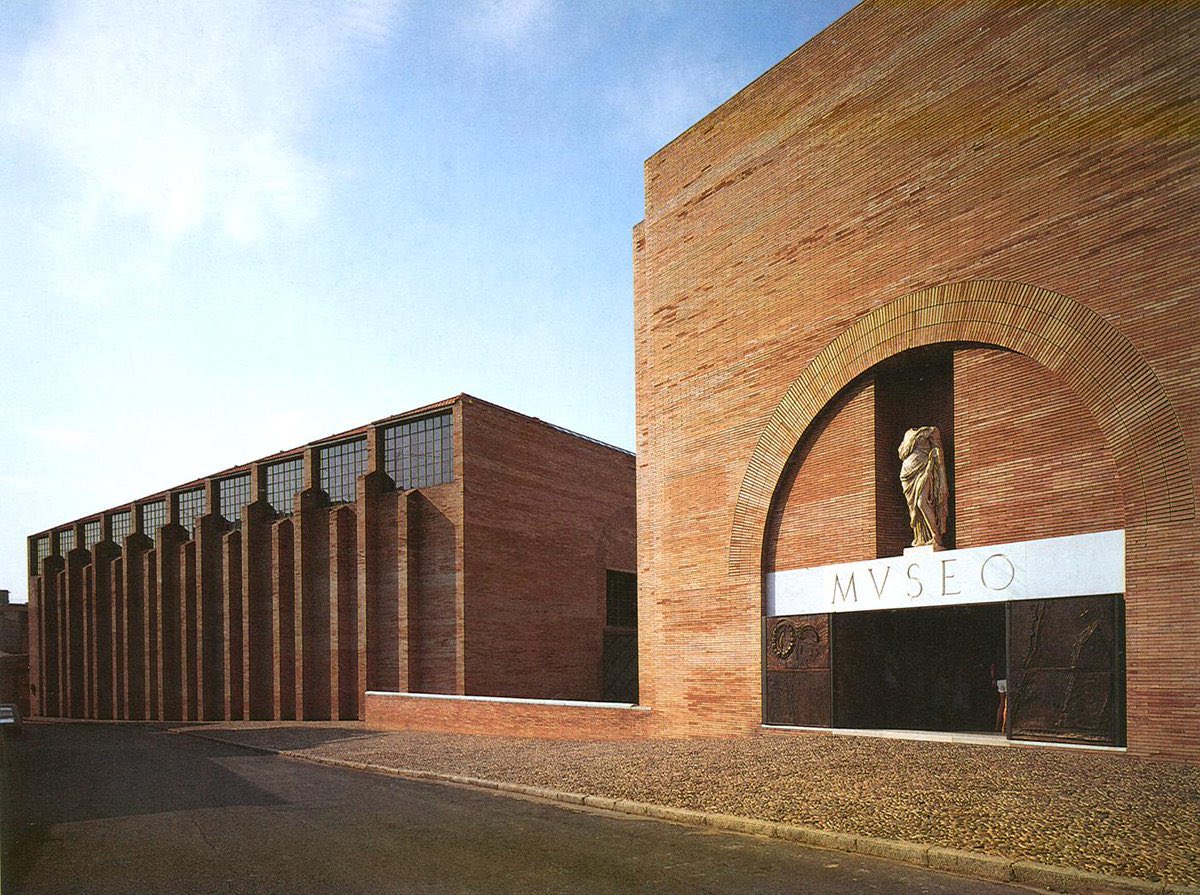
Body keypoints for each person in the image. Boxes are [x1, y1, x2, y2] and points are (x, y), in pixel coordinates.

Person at [898, 426, 949, 549]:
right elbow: (902, 453)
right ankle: (920, 537)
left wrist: (943, 480)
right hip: (907, 474)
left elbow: (939, 454)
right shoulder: (907, 433)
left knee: (921, 502)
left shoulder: (932, 431)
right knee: (914, 508)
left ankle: (936, 537)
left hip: (924, 469)